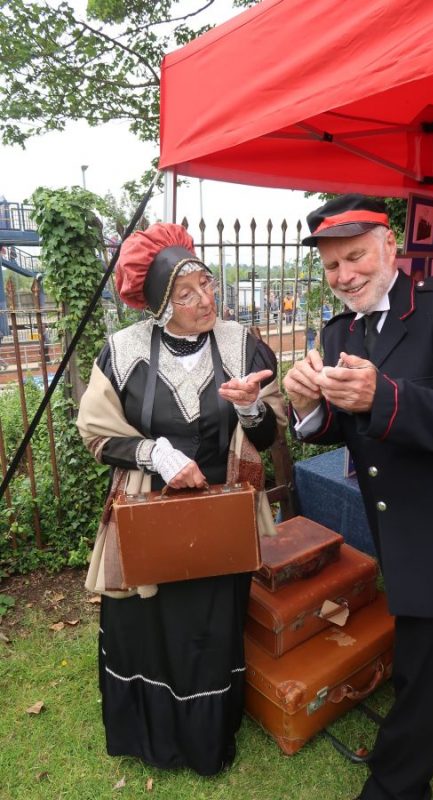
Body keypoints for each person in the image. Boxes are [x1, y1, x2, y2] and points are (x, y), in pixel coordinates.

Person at [283, 194, 433, 800]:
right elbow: (339, 426)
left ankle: (396, 783)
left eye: (355, 257)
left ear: (390, 247)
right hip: (392, 519)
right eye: (332, 267)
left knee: (420, 649)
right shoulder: (340, 332)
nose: (345, 276)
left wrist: (383, 398)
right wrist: (308, 406)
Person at [77, 223, 285, 776]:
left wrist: (249, 409)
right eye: (186, 293)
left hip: (223, 516)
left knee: (213, 624)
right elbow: (96, 433)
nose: (205, 301)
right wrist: (154, 454)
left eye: (208, 286)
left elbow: (268, 436)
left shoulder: (243, 345)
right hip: (151, 516)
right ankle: (149, 730)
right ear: (160, 304)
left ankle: (206, 738)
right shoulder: (121, 353)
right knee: (144, 621)